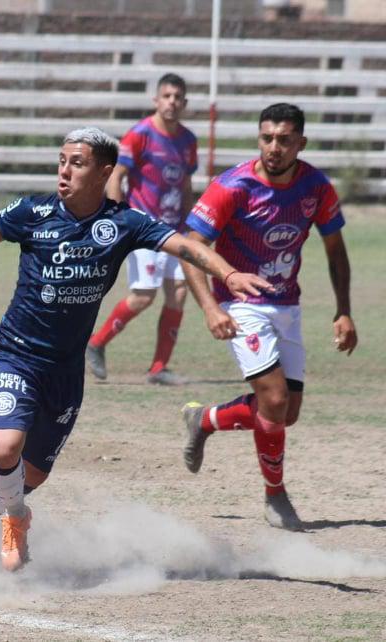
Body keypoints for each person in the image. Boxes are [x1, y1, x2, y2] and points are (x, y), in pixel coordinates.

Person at [0, 127, 269, 571]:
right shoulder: (32, 212)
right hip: (14, 355)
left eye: (76, 163)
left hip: (65, 370)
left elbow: (185, 247)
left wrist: (228, 275)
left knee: (33, 473)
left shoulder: (124, 223)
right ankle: (15, 519)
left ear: (103, 172)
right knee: (5, 452)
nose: (64, 170)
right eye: (62, 160)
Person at [179, 102, 357, 531]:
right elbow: (189, 248)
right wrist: (210, 306)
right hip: (241, 306)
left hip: (287, 305)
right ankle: (275, 498)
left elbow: (336, 250)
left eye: (284, 139)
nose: (273, 147)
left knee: (284, 413)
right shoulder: (233, 186)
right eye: (267, 138)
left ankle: (205, 419)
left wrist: (344, 311)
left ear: (301, 143)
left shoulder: (316, 187)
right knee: (274, 402)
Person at [86, 73, 198, 385]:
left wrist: (191, 225)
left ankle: (158, 368)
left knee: (178, 293)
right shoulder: (140, 135)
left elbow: (186, 185)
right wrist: (118, 218)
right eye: (167, 96)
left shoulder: (188, 141)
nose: (172, 102)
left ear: (185, 102)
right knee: (143, 296)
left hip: (175, 230)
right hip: (144, 227)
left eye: (177, 97)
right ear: (156, 100)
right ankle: (96, 343)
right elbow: (116, 176)